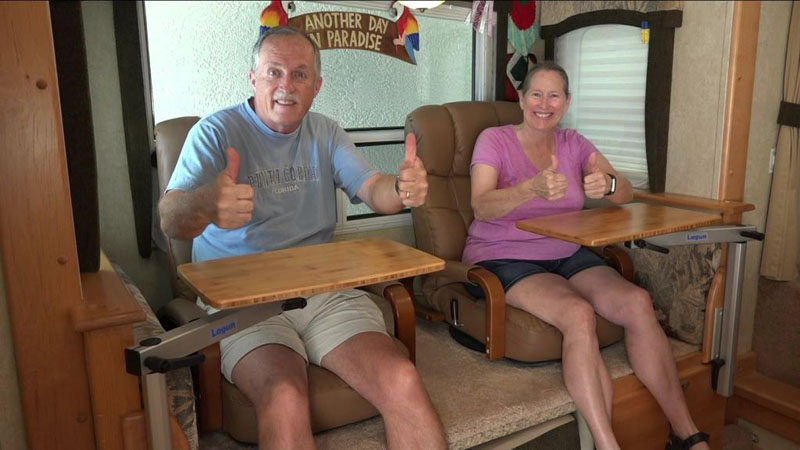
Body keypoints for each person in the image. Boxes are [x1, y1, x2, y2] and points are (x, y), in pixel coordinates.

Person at [159, 26, 446, 450]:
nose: (285, 86)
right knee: (285, 396)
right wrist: (207, 203)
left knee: (402, 378)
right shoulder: (214, 132)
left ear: (317, 86)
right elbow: (170, 219)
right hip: (245, 301)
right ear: (252, 77)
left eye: (300, 74)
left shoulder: (326, 132)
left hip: (323, 292)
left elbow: (373, 190)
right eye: (273, 72)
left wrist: (402, 190)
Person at [462, 62, 710, 450]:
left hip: (567, 250)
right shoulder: (494, 140)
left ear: (567, 101)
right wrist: (532, 189)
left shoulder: (574, 143)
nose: (545, 103)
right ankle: (606, 444)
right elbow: (481, 206)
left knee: (638, 301)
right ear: (523, 99)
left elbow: (624, 192)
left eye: (554, 95)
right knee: (578, 314)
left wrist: (608, 183)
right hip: (504, 254)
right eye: (536, 94)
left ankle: (686, 433)